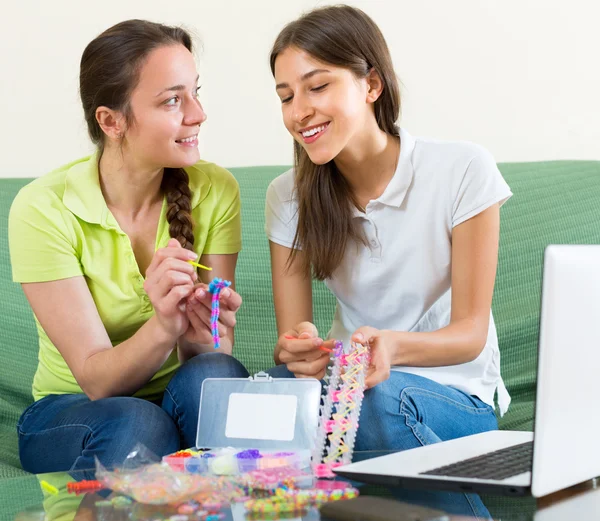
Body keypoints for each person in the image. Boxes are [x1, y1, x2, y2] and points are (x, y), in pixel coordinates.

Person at [265, 5, 512, 519]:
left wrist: (391, 348)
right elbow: (293, 340)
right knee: (264, 399)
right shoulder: (287, 196)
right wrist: (301, 349)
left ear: (370, 84)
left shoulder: (461, 169)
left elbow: (469, 333)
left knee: (378, 399)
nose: (298, 111)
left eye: (317, 87)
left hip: (454, 396)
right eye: (286, 96)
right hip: (346, 391)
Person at [8, 20, 249, 477]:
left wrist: (201, 332)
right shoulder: (43, 208)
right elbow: (98, 382)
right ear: (111, 120)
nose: (198, 113)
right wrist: (163, 325)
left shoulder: (215, 189)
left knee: (218, 379)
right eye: (173, 100)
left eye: (195, 92)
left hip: (175, 399)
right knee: (138, 421)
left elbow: (207, 360)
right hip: (74, 410)